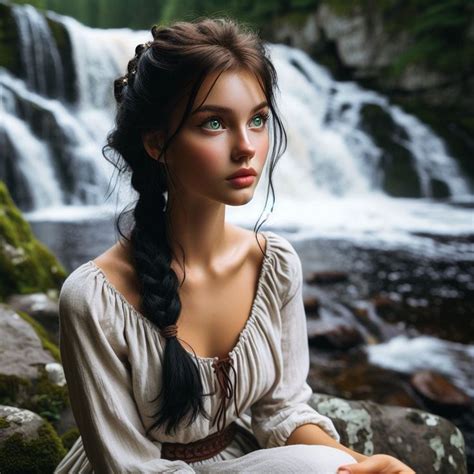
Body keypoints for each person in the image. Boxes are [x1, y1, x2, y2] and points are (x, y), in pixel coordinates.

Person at [54, 17, 415, 474]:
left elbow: (281, 411)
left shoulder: (273, 264)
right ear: (156, 142)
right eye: (214, 124)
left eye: (258, 120)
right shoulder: (95, 300)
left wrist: (364, 465)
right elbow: (129, 467)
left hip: (241, 456)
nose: (247, 147)